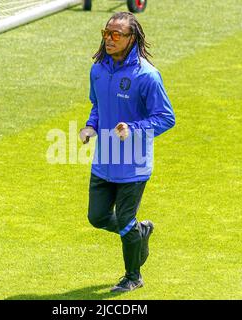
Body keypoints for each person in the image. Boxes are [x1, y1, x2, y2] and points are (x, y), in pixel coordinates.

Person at [79, 12, 175, 292]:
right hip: (104, 161)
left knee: (123, 219)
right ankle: (140, 232)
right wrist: (90, 126)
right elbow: (97, 105)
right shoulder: (97, 69)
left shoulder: (147, 76)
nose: (109, 39)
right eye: (106, 33)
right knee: (96, 218)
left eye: (116, 35)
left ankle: (133, 276)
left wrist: (133, 128)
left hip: (133, 165)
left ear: (131, 39)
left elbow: (166, 117)